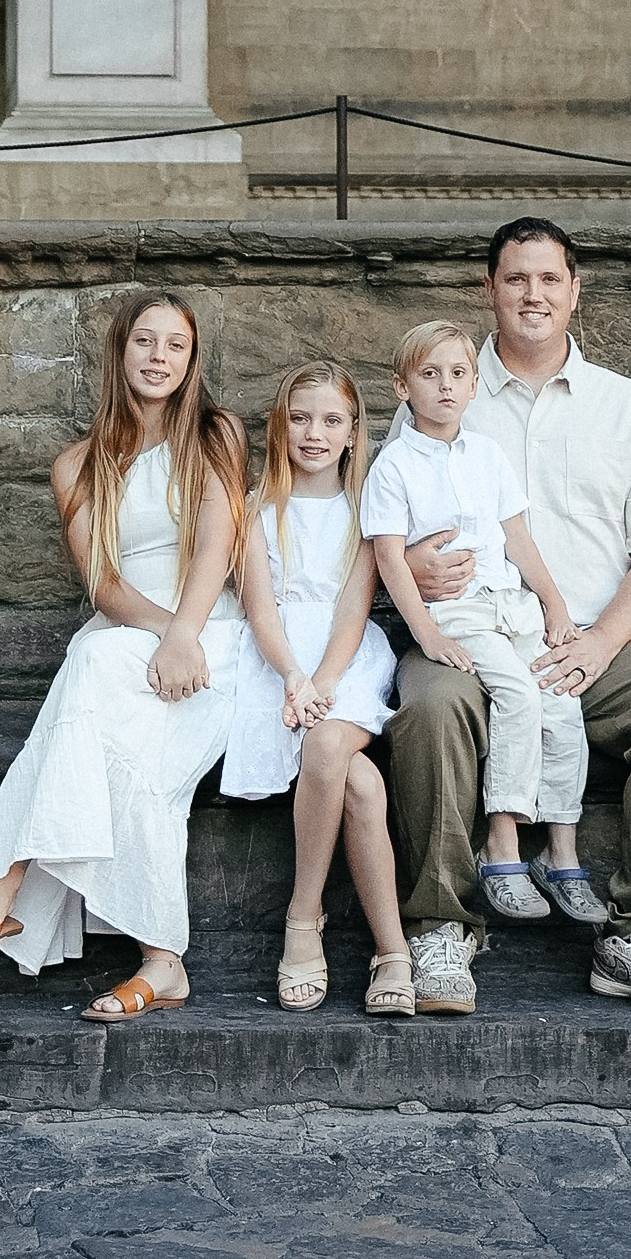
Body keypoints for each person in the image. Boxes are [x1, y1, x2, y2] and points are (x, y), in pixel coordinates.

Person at [386, 217, 631, 1017]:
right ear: (489, 290)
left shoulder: (626, 406)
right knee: (431, 710)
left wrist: (604, 641)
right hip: (469, 628)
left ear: (575, 291)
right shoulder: (445, 387)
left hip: (593, 637)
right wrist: (419, 568)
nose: (532, 295)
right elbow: (388, 533)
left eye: (548, 280)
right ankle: (442, 927)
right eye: (515, 279)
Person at [0, 290, 243, 1018]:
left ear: (191, 361)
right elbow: (105, 587)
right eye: (145, 342)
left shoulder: (215, 434)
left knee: (91, 675)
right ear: (120, 350)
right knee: (124, 725)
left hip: (211, 635)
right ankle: (163, 962)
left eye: (175, 345)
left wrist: (186, 635)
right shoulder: (77, 466)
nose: (159, 357)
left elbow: (220, 546)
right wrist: (163, 636)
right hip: (133, 632)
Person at [362, 319, 585, 930]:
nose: (445, 387)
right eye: (429, 375)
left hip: (515, 606)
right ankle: (503, 845)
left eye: (458, 374)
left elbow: (517, 536)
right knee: (516, 693)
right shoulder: (393, 466)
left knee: (561, 701)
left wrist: (555, 604)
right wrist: (429, 635)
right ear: (402, 386)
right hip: (458, 614)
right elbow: (387, 558)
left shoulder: (486, 454)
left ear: (474, 383)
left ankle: (562, 852)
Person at [219, 359, 408, 1015]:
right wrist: (293, 678)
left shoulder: (367, 508)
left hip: (347, 658)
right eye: (300, 418)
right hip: (277, 661)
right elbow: (261, 611)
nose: (314, 432)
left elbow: (355, 609)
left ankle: (303, 918)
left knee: (328, 748)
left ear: (355, 431)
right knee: (361, 782)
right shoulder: (258, 507)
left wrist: (323, 682)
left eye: (331, 420)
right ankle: (393, 953)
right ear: (280, 425)